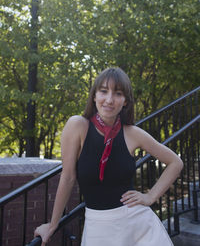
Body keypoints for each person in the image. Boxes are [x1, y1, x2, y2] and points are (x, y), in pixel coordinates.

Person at [34, 67, 183, 246]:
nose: (110, 99)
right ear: (94, 96)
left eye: (118, 93)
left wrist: (150, 196)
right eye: (104, 91)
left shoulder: (133, 134)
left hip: (139, 226)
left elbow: (176, 162)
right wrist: (53, 224)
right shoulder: (78, 126)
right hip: (98, 226)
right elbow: (68, 177)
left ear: (125, 101)